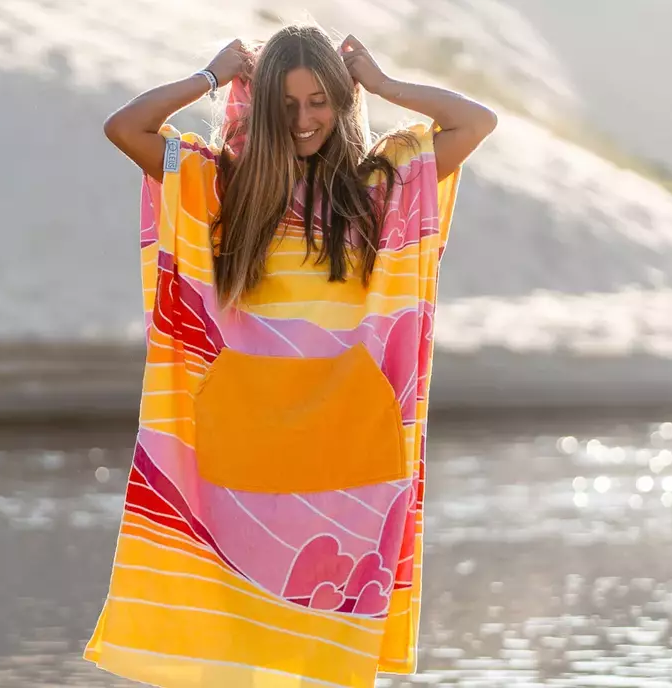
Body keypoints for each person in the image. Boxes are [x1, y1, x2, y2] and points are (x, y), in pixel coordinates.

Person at [84, 22, 496, 688]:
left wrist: (384, 84)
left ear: (342, 100)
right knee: (241, 645)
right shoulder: (224, 186)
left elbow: (475, 121)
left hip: (346, 448)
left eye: (319, 102)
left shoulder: (376, 184)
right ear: (266, 106)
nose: (305, 120)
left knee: (323, 655)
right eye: (287, 105)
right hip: (245, 444)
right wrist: (210, 76)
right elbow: (125, 127)